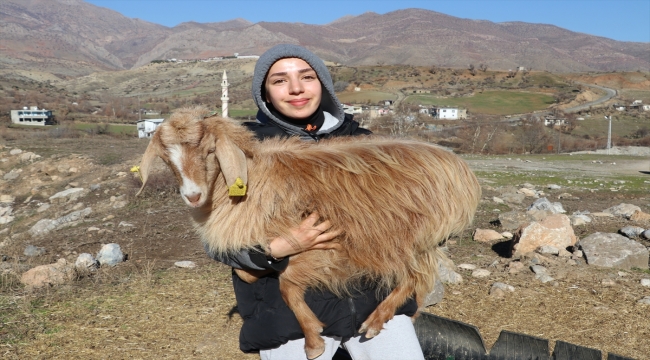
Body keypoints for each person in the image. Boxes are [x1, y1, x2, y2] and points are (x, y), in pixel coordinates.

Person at [208, 44, 425, 360]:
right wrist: (276, 248)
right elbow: (215, 243)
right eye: (280, 80)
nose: (296, 88)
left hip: (375, 302)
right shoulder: (242, 151)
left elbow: (414, 213)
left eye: (307, 77)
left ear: (322, 85)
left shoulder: (366, 143)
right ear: (265, 94)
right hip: (289, 316)